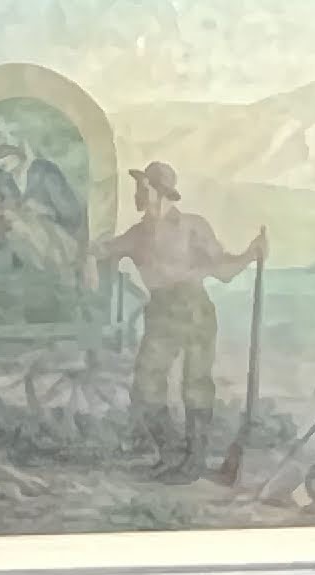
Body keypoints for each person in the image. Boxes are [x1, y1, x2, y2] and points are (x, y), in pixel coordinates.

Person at [103, 162, 267, 479]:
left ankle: (194, 461)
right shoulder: (138, 234)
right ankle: (170, 454)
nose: (137, 193)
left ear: (160, 192)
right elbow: (106, 249)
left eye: (143, 187)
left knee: (196, 386)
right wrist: (90, 261)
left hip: (194, 309)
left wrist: (251, 253)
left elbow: (223, 271)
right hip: (161, 312)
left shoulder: (193, 227)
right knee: (145, 388)